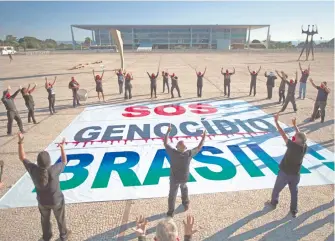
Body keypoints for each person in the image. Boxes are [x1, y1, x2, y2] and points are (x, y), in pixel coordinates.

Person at [17, 133, 71, 241]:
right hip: (56, 200)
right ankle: (63, 236)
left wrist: (20, 142)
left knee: (44, 220)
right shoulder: (54, 169)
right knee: (60, 218)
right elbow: (64, 161)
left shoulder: (33, 169)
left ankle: (46, 236)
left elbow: (22, 157)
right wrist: (62, 148)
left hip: (42, 202)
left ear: (38, 162)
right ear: (49, 162)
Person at [268, 114, 307, 218]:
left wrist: (276, 122)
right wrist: (295, 126)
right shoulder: (304, 147)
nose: (293, 137)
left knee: (277, 189)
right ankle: (294, 210)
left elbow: (282, 133)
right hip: (296, 175)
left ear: (297, 140)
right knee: (294, 193)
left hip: (285, 173)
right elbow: (300, 136)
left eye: (295, 137)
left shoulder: (292, 146)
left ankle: (273, 202)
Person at [164, 124, 206, 217]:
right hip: (184, 178)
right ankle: (185, 203)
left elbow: (166, 143)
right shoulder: (188, 154)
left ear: (176, 147)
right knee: (184, 187)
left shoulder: (173, 152)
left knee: (172, 195)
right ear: (185, 148)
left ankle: (171, 212)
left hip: (174, 178)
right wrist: (203, 138)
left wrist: (168, 132)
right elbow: (199, 147)